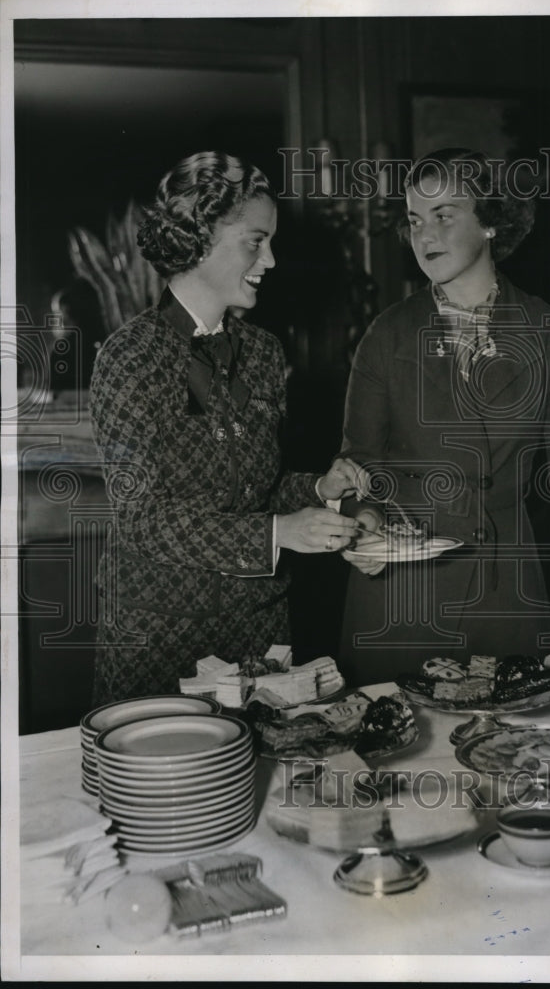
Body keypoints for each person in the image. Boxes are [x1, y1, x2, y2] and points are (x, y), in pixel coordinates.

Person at [338, 148, 550, 693]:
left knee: (515, 759)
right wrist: (362, 523)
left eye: (444, 214)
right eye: (414, 219)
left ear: (491, 224)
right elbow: (358, 463)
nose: (424, 235)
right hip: (400, 595)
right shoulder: (386, 335)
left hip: (507, 592)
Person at [89, 151, 364, 705]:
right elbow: (141, 517)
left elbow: (257, 486)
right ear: (199, 238)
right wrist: (277, 534)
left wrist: (317, 490)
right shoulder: (129, 356)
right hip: (159, 633)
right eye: (255, 241)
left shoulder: (262, 352)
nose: (271, 259)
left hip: (258, 625)